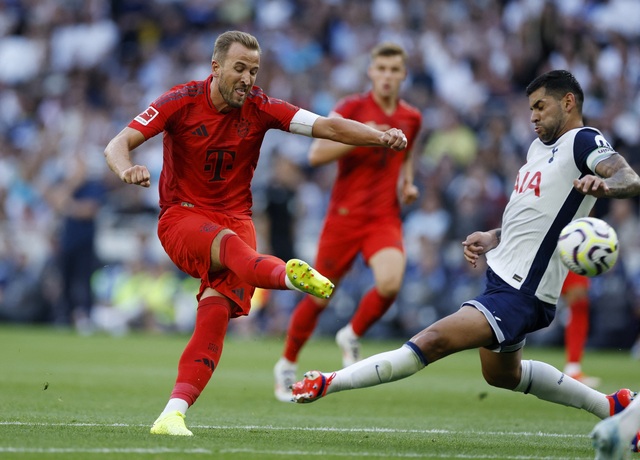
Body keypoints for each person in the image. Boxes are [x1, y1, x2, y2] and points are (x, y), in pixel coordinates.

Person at [290, 70, 640, 433]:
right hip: (502, 280)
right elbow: (537, 217)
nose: (533, 115)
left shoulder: (584, 140)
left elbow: (629, 178)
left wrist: (605, 183)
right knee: (504, 375)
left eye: (541, 106)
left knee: (432, 341)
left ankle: (329, 381)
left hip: (523, 291)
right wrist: (494, 236)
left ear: (568, 102)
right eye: (530, 108)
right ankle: (614, 406)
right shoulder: (539, 149)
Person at [103, 30, 408, 437]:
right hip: (183, 217)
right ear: (216, 68)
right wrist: (126, 169)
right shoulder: (180, 100)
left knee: (214, 317)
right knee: (228, 246)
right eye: (240, 68)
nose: (248, 79)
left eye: (254, 70)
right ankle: (287, 276)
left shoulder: (262, 107)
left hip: (236, 217)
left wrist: (380, 137)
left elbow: (328, 128)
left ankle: (172, 414)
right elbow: (117, 143)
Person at [272, 42, 422, 402]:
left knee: (390, 284)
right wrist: (362, 134)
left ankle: (351, 334)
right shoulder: (352, 109)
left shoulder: (411, 118)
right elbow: (316, 153)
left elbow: (408, 154)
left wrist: (407, 183)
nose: (387, 76)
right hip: (343, 219)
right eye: (381, 69)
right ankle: (286, 364)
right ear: (370, 72)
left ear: (403, 74)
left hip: (383, 217)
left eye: (394, 70)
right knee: (319, 294)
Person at [561, 271, 600, 387]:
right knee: (578, 301)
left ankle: (573, 368)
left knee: (579, 306)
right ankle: (572, 369)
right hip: (567, 256)